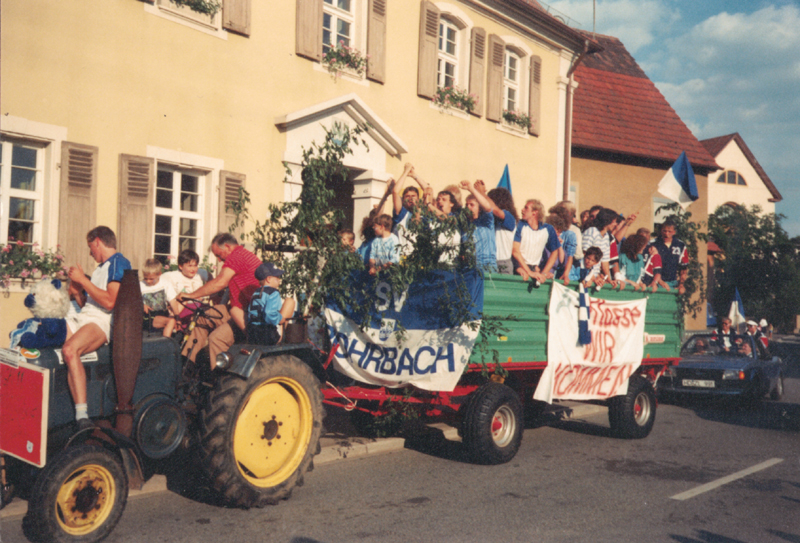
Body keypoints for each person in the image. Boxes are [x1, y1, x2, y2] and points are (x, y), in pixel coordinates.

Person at [63, 226, 131, 430]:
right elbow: (90, 304)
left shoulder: (119, 262)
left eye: (90, 246)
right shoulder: (101, 268)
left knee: (69, 349)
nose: (90, 252)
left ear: (98, 241)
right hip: (85, 317)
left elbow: (110, 302)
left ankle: (82, 417)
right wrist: (77, 292)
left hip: (101, 322)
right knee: (47, 333)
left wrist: (83, 280)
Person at [178, 233, 261, 369]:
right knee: (202, 316)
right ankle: (187, 365)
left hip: (248, 314)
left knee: (216, 339)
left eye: (219, 255)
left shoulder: (237, 256)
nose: (220, 260)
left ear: (228, 247)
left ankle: (219, 379)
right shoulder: (243, 255)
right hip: (237, 309)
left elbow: (220, 282)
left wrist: (191, 295)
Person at [246, 262, 295, 346]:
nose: (279, 280)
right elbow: (269, 313)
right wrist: (280, 319)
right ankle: (280, 339)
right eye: (277, 278)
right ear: (268, 279)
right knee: (290, 301)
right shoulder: (273, 292)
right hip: (268, 335)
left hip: (253, 334)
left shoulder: (256, 292)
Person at [512, 199, 561, 283]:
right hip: (518, 268)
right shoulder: (519, 225)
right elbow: (515, 251)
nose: (522, 210)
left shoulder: (548, 229)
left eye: (526, 208)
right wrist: (529, 271)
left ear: (534, 212)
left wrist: (544, 273)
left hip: (534, 270)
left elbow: (555, 252)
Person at [461, 180, 500, 273]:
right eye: (466, 205)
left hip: (486, 265)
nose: (468, 207)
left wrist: (472, 189)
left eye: (472, 205)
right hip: (470, 267)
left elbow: (488, 207)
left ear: (479, 208)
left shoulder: (486, 221)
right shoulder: (465, 225)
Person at [649, 219, 689, 294]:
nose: (666, 234)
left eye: (669, 231)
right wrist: (659, 281)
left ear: (674, 232)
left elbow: (684, 268)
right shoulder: (653, 244)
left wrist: (681, 285)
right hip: (655, 283)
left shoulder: (680, 245)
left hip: (673, 283)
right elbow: (648, 266)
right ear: (661, 231)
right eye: (664, 231)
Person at [580, 208, 618, 287]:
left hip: (594, 278)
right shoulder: (591, 231)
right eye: (614, 222)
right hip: (583, 276)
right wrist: (593, 277)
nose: (616, 224)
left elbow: (605, 261)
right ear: (607, 221)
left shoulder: (607, 236)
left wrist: (609, 279)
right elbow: (584, 256)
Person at [140, 258, 177, 337]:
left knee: (173, 318)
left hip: (162, 314)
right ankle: (165, 343)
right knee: (171, 321)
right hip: (148, 317)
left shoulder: (165, 283)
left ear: (159, 274)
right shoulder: (140, 285)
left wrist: (177, 316)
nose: (148, 281)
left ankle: (165, 339)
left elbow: (173, 301)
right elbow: (132, 301)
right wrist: (141, 305)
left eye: (151, 279)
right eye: (146, 278)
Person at [485, 186, 518, 274]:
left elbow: (494, 209)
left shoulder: (509, 218)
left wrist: (482, 193)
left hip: (502, 263)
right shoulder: (489, 220)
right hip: (489, 262)